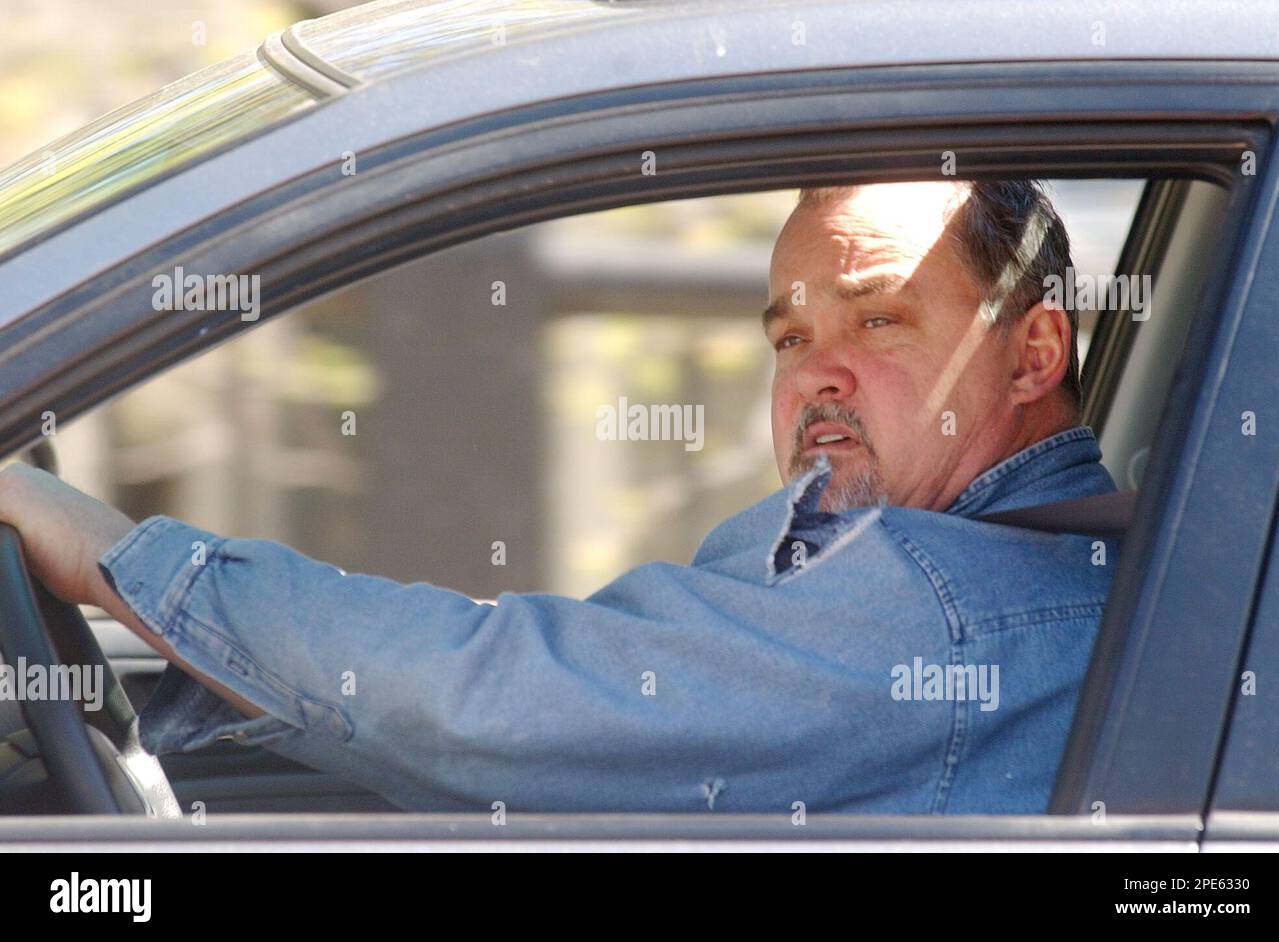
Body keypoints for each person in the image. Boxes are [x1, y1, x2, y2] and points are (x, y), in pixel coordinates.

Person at [0, 180, 1118, 813]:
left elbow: (494, 701)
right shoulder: (976, 563)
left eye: (879, 320)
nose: (816, 372)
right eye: (788, 336)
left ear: (1030, 358)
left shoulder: (943, 604)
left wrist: (113, 552)